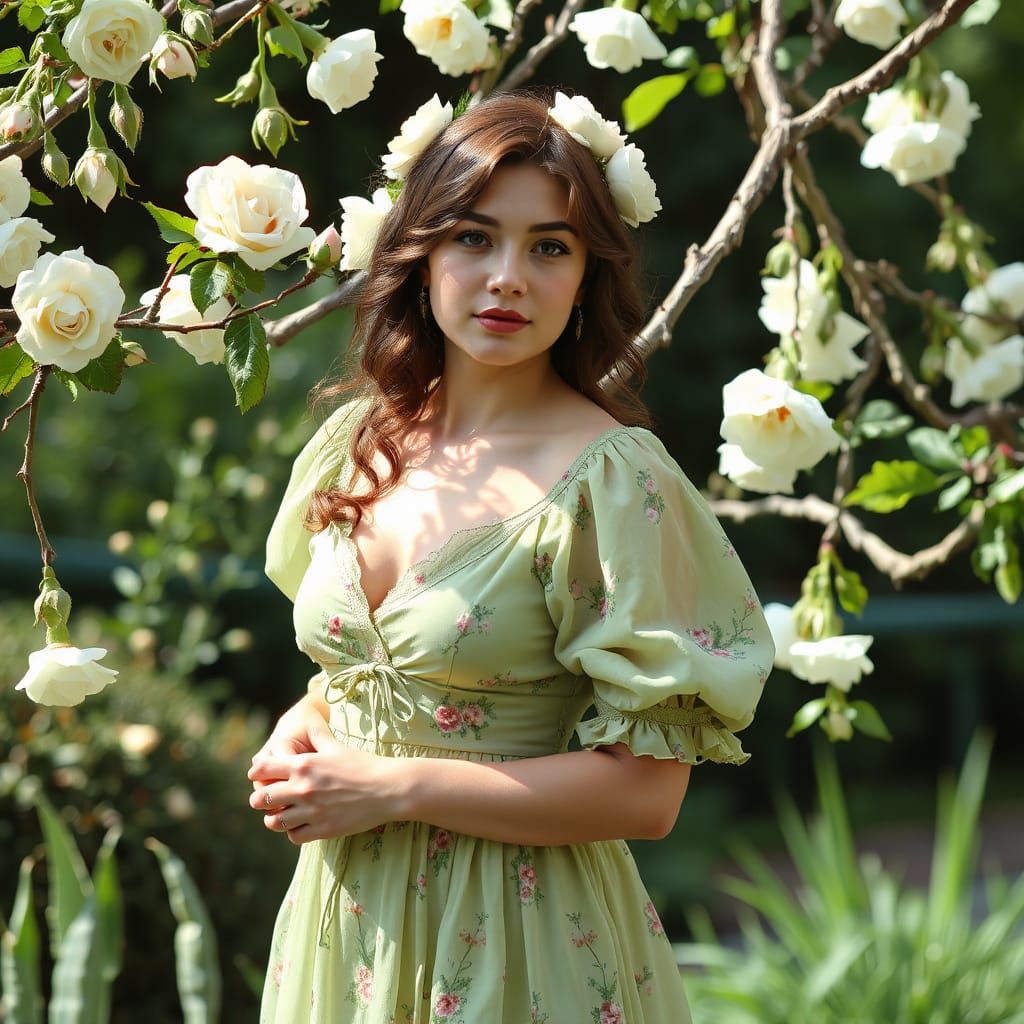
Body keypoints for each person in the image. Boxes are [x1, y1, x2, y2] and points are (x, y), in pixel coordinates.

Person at [248, 88, 774, 1024]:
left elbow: (648, 794)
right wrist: (307, 718)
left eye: (549, 247)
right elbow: (377, 665)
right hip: (343, 929)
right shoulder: (355, 444)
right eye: (474, 238)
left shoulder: (612, 480)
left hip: (517, 936)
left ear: (584, 277)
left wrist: (393, 786)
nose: (507, 279)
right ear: (421, 253)